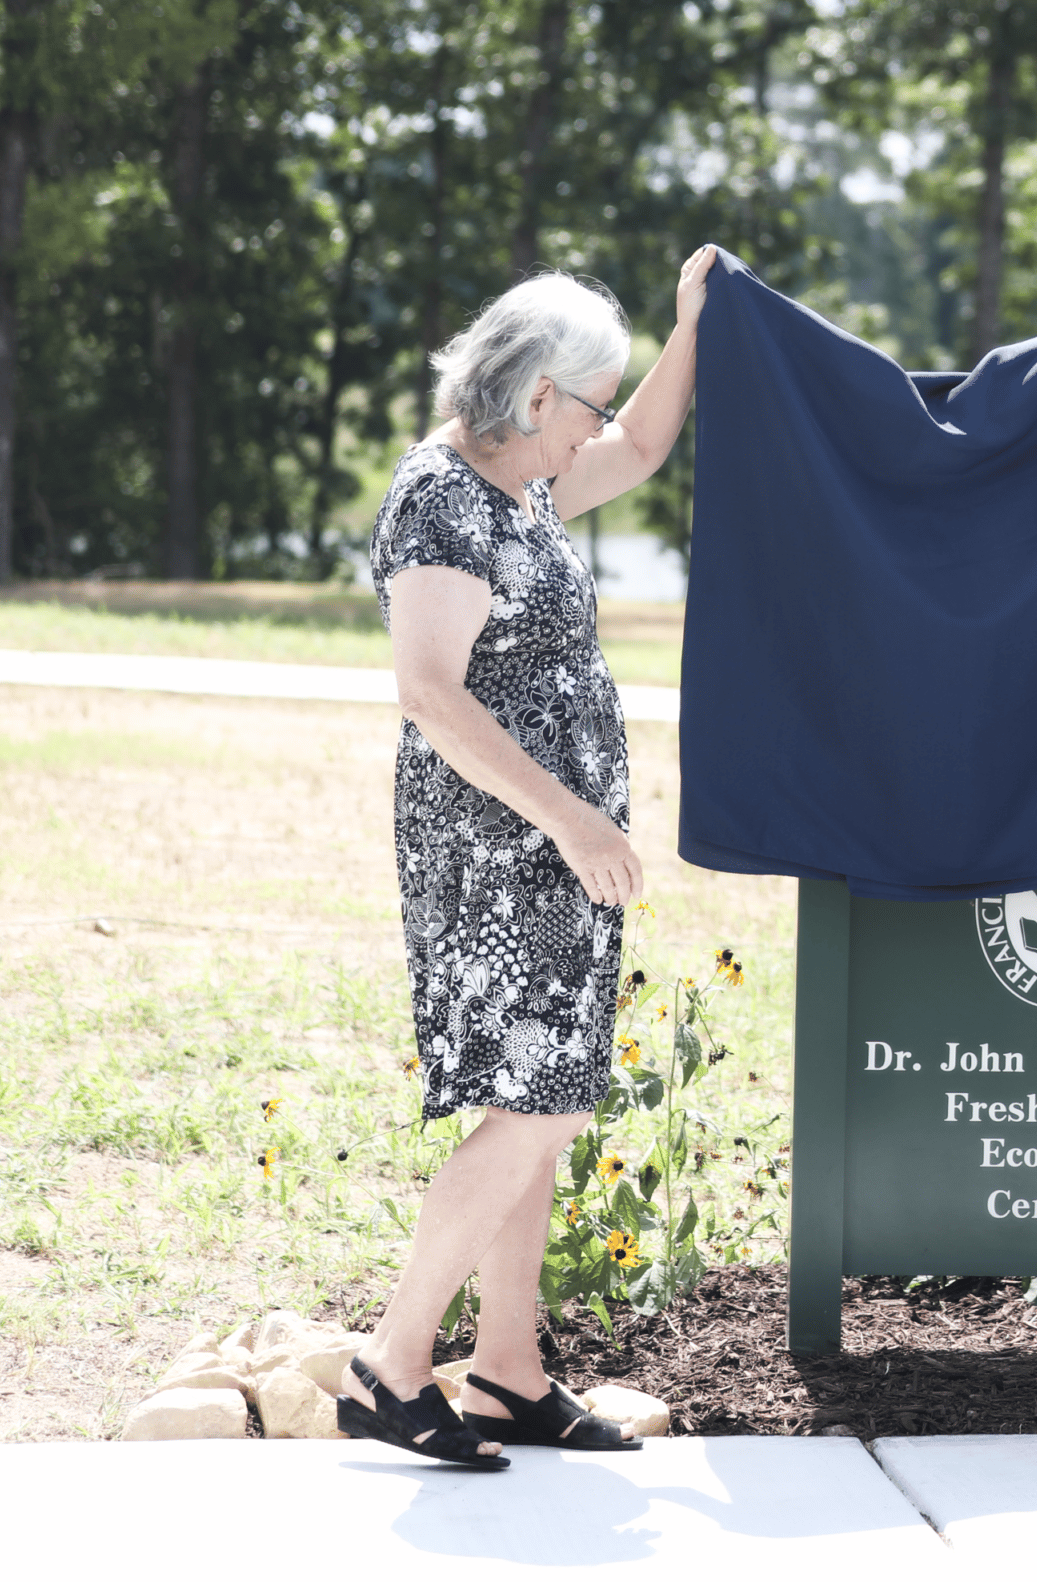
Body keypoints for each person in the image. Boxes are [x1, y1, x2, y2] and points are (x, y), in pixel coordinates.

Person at [340, 247, 716, 1468]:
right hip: (499, 853)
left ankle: (507, 1369)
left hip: (553, 851)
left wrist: (690, 326)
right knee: (531, 1104)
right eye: (591, 402)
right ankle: (391, 1366)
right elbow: (430, 696)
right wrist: (572, 818)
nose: (598, 426)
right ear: (538, 394)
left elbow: (648, 447)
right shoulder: (441, 497)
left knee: (542, 1108)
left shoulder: (524, 485)